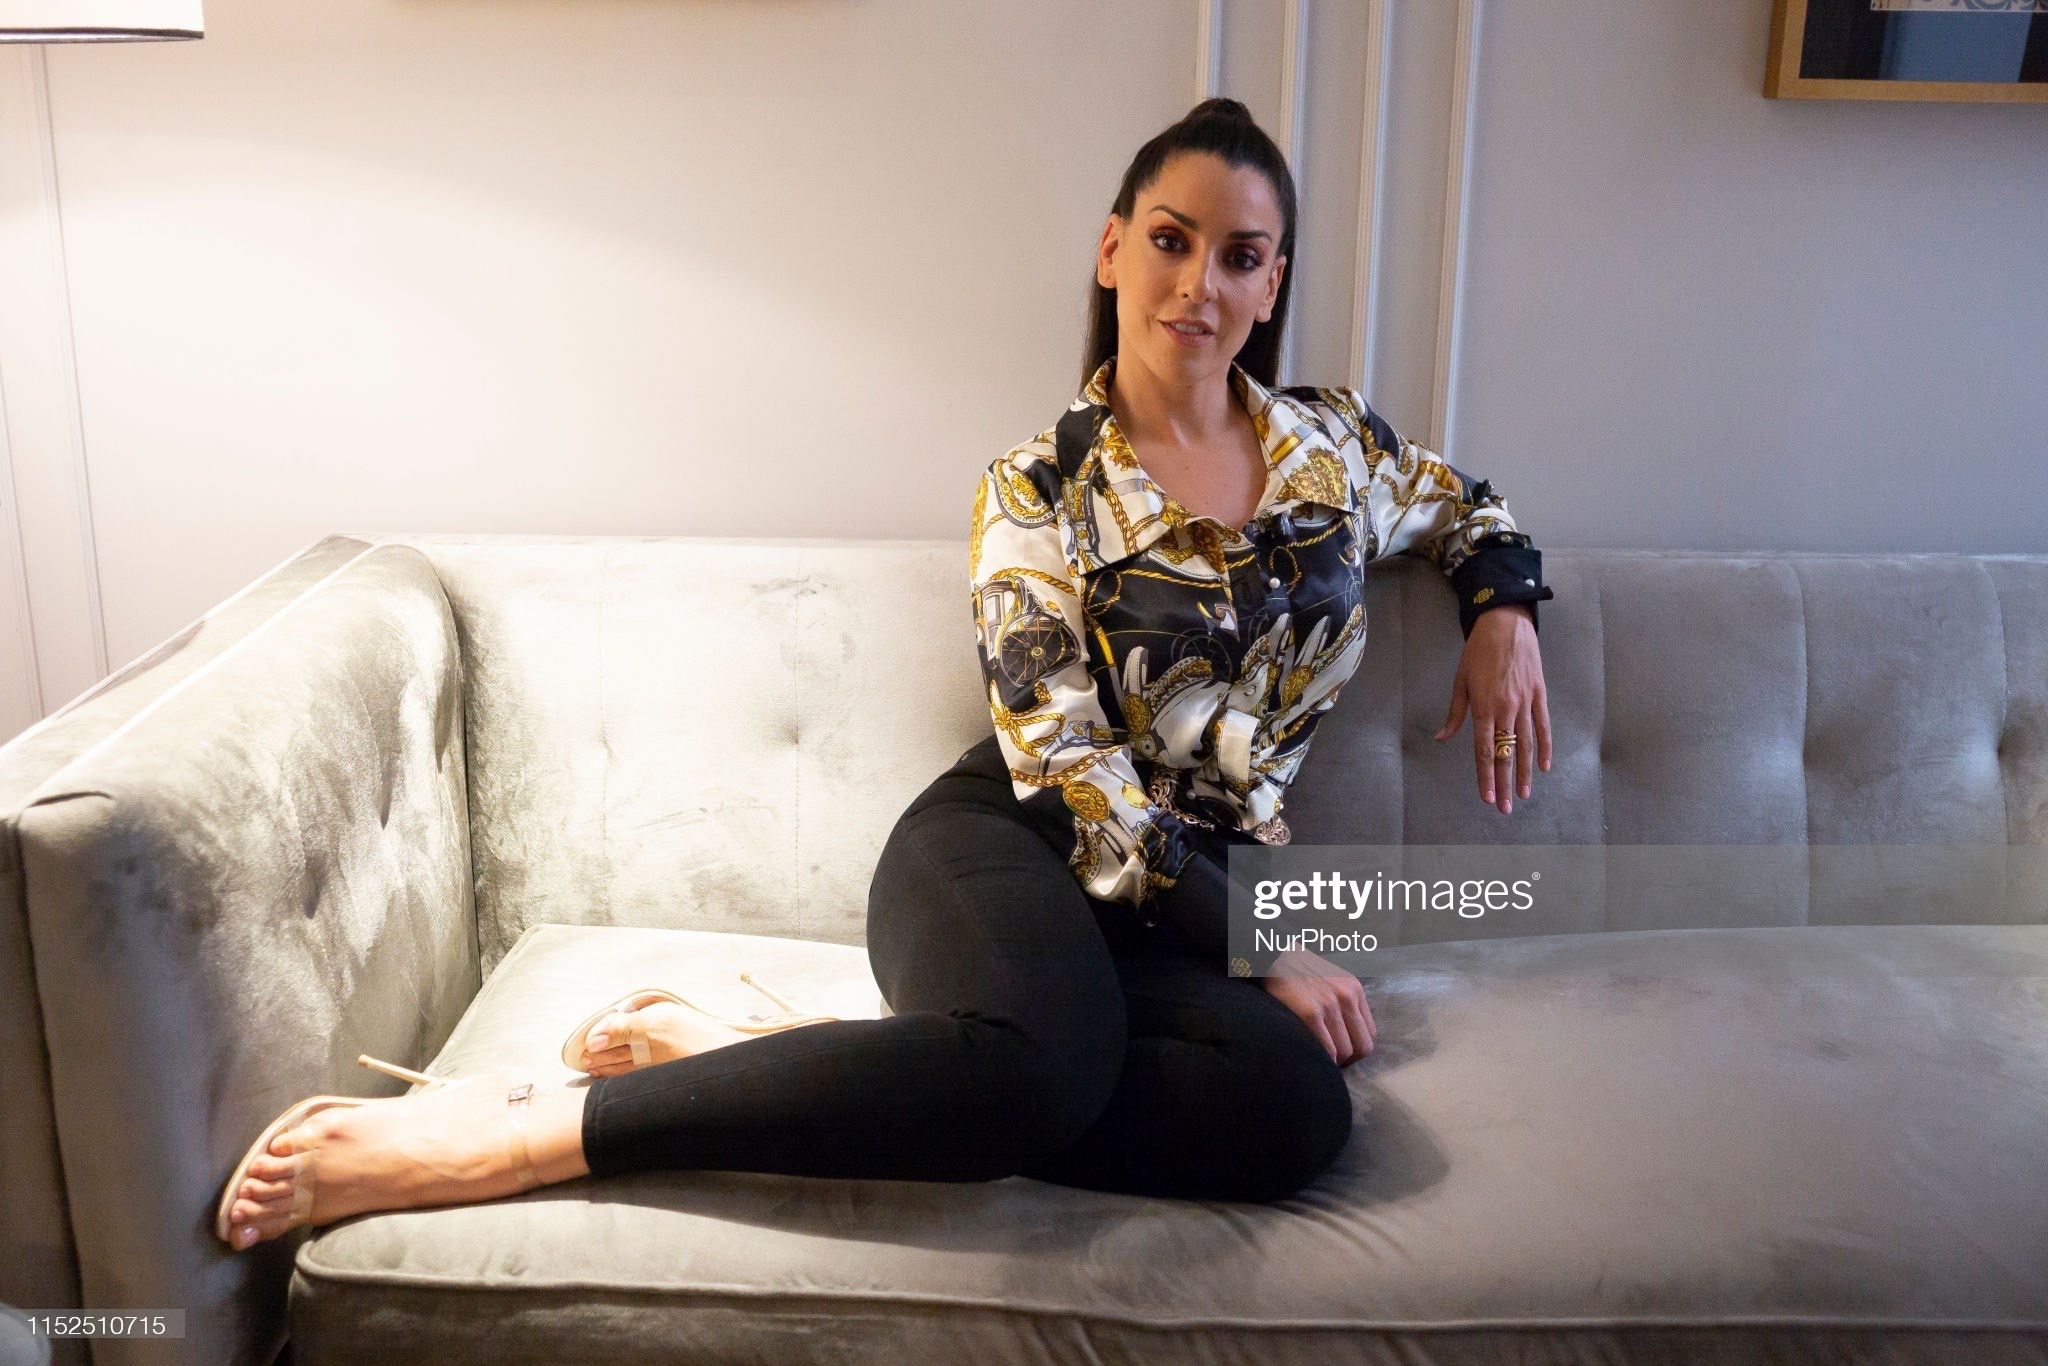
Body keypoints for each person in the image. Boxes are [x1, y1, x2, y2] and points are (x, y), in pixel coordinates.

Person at [217, 98, 1553, 1251]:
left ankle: (811, 1068)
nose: (1199, 283)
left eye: (1240, 256)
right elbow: (1067, 766)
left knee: (1291, 1108)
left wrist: (1503, 612)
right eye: (1170, 239)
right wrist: (1261, 940)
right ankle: (521, 1132)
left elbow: (1468, 508)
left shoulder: (1334, 453)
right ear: (1112, 248)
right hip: (1010, 844)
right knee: (1042, 1067)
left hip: (1174, 910)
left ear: (1272, 284)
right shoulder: (1036, 488)